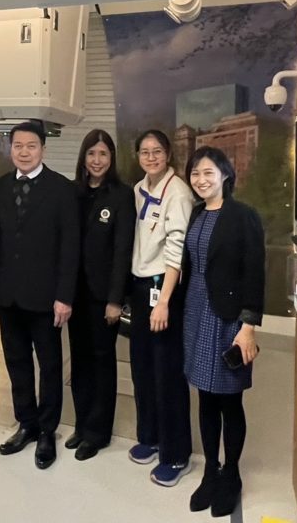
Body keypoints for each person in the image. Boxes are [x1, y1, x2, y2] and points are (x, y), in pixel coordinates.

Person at [0, 121, 79, 470]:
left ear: (43, 150)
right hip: (8, 296)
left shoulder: (62, 189)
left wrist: (64, 296)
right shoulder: (0, 188)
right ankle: (26, 423)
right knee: (17, 362)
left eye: (31, 146)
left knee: (50, 366)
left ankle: (47, 431)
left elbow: (70, 247)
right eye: (18, 146)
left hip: (47, 298)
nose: (24, 152)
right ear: (11, 149)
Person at [181, 146, 265, 517]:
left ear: (225, 175)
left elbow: (255, 274)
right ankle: (210, 471)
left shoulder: (243, 216)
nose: (201, 180)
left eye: (208, 173)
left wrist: (248, 327)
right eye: (195, 173)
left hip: (229, 317)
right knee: (205, 397)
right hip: (195, 311)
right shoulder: (196, 213)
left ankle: (231, 473)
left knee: (229, 399)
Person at [127, 128, 194, 487]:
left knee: (168, 373)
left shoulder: (178, 192)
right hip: (141, 288)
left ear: (168, 154)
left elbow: (176, 249)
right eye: (145, 151)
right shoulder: (139, 189)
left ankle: (176, 454)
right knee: (142, 367)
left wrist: (164, 302)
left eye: (157, 151)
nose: (151, 157)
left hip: (163, 289)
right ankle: (150, 436)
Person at [65, 129, 135, 461]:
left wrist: (115, 300)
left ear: (111, 158)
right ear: (84, 157)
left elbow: (122, 251)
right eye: (91, 153)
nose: (97, 160)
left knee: (102, 361)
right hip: (74, 294)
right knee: (78, 361)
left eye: (103, 154)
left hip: (103, 296)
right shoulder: (73, 193)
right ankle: (81, 425)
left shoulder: (121, 196)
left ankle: (98, 432)